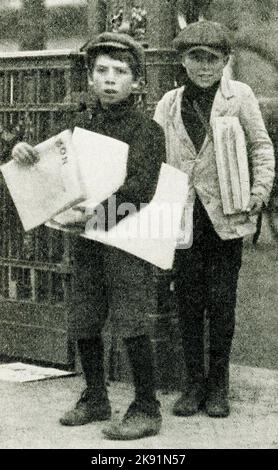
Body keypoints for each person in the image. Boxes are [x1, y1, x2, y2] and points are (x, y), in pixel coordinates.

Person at [12, 32, 166, 440]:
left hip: (128, 239)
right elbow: (56, 169)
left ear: (137, 81)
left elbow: (141, 190)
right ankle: (96, 396)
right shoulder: (81, 125)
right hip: (87, 241)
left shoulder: (147, 131)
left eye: (121, 71)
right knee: (83, 316)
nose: (110, 79)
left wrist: (94, 216)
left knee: (131, 320)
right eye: (102, 71)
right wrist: (25, 153)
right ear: (91, 77)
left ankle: (147, 406)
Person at [154, 20, 275, 418]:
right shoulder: (169, 103)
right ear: (183, 60)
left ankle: (219, 385)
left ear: (226, 60)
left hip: (227, 216)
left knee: (222, 302)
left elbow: (261, 147)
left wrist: (259, 192)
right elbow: (155, 159)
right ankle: (193, 384)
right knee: (188, 302)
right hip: (184, 218)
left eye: (213, 59)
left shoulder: (239, 95)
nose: (204, 67)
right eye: (195, 58)